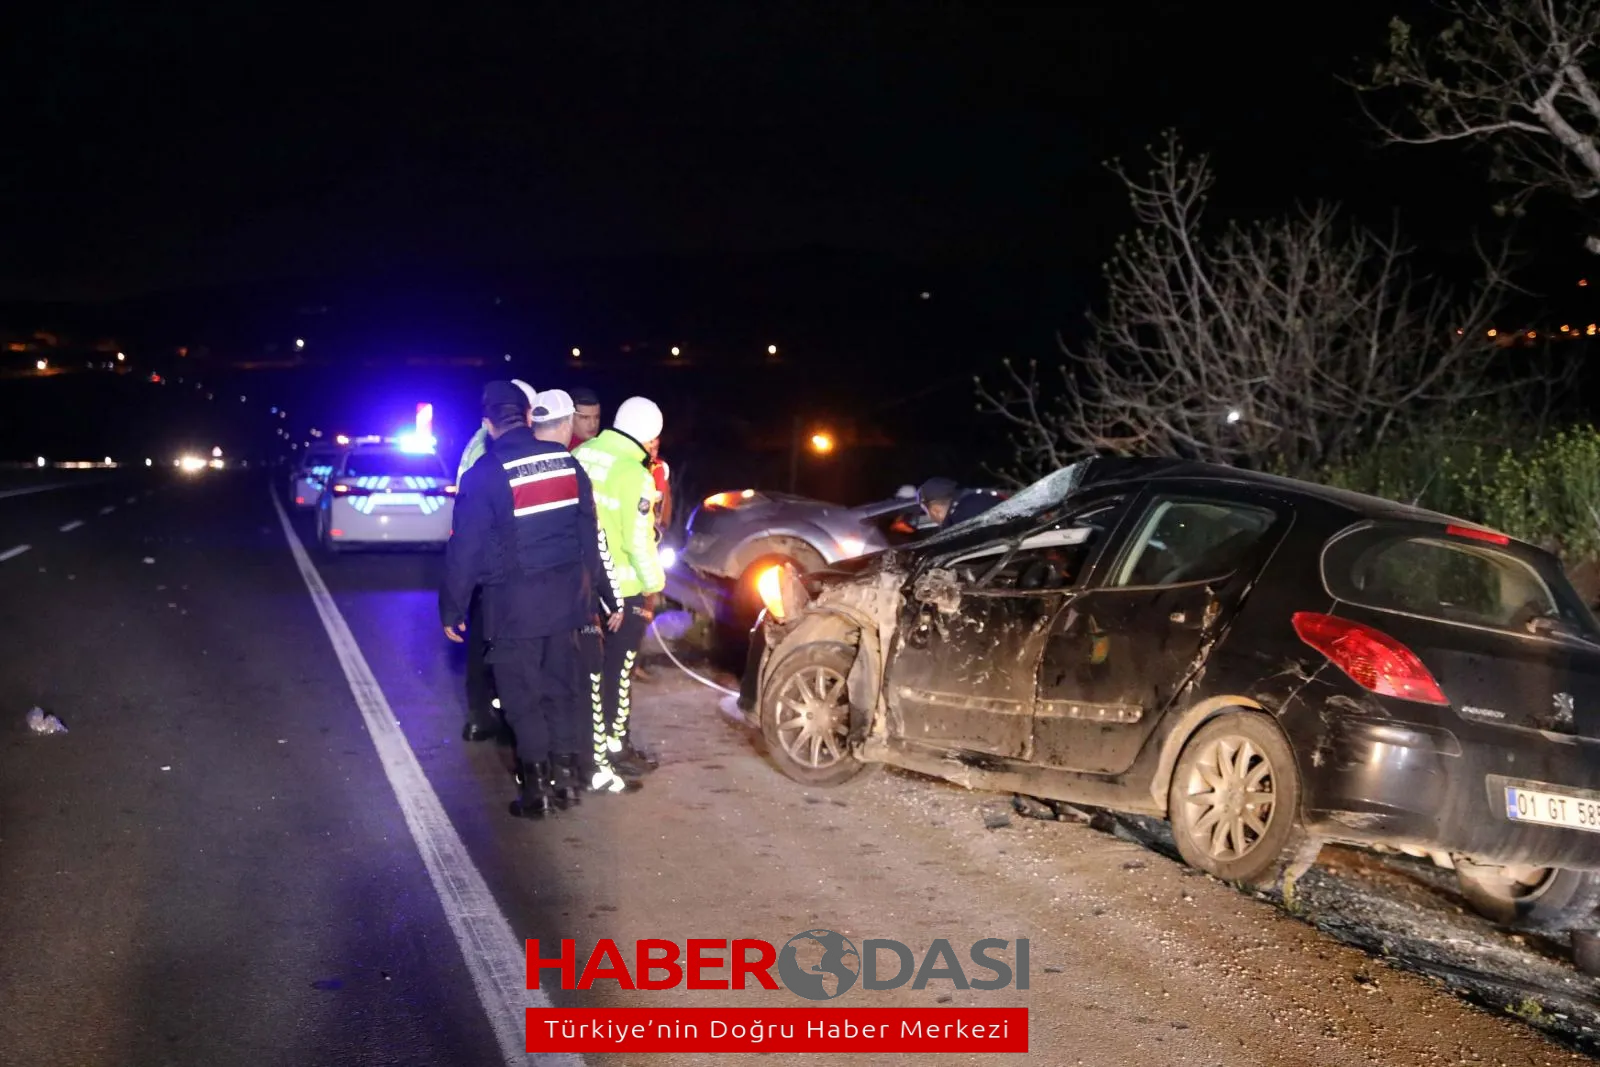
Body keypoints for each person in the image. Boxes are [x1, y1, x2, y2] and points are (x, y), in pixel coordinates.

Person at [441, 382, 622, 818]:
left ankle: (537, 790)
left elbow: (464, 549)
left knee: (523, 697)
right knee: (562, 690)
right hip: (570, 605)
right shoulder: (567, 464)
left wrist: (453, 607)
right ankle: (567, 782)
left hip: (513, 609)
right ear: (527, 416)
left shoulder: (483, 474)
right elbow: (589, 541)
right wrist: (602, 596)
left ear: (488, 424)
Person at [574, 396, 667, 779]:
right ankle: (617, 747)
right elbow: (637, 542)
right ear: (649, 437)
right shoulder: (636, 473)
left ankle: (588, 746)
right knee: (619, 670)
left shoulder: (584, 454)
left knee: (589, 672)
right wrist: (654, 585)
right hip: (624, 588)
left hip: (581, 585)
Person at [457, 379, 536, 745]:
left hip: (481, 564)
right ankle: (503, 718)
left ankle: (479, 715)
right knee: (502, 646)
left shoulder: (476, 445)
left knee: (479, 642)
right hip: (501, 566)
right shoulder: (492, 452)